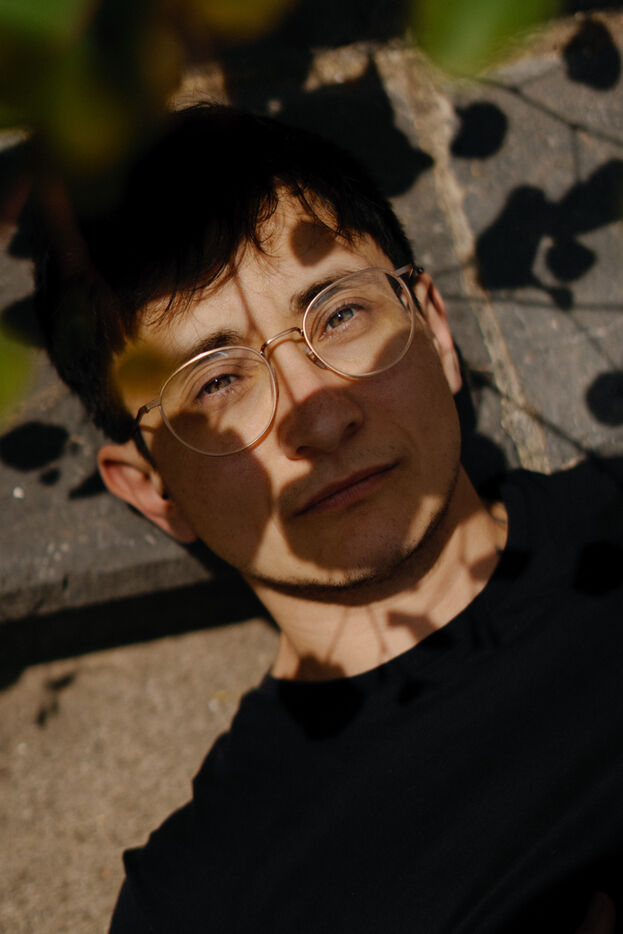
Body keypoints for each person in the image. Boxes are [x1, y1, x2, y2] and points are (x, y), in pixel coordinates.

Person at [34, 104, 622, 933]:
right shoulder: (203, 902)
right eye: (216, 382)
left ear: (434, 329)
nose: (317, 413)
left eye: (339, 314)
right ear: (151, 490)